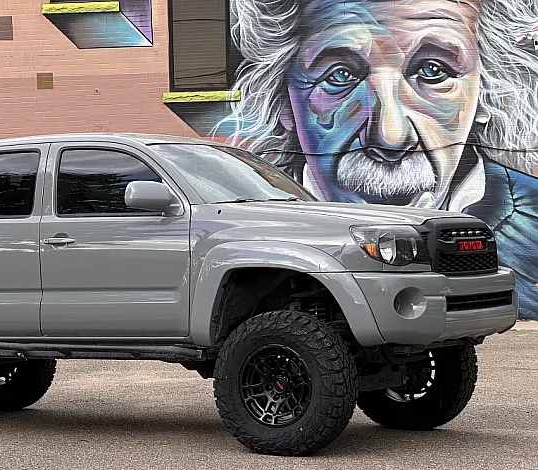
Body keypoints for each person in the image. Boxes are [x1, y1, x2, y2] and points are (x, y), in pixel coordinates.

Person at [221, 0, 538, 317]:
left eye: (432, 71)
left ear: (485, 95)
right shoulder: (245, 225)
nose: (390, 136)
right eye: (340, 75)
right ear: (285, 103)